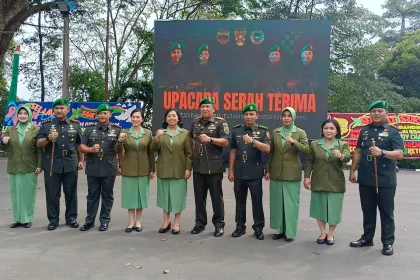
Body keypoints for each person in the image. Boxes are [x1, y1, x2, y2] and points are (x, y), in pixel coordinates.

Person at [349, 100, 404, 256]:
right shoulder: (364, 131)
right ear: (370, 113)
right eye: (374, 111)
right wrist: (352, 171)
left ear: (386, 113)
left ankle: (387, 242)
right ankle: (367, 238)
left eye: (380, 111)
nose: (377, 114)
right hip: (366, 177)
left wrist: (383, 152)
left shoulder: (393, 132)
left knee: (386, 212)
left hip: (385, 180)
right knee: (368, 211)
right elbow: (358, 151)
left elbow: (399, 154)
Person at [36, 98, 84, 231]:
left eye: (62, 108)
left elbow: (79, 144)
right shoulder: (46, 125)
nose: (59, 110)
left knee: (71, 192)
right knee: (52, 193)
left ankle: (71, 218)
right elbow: (38, 143)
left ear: (68, 110)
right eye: (56, 108)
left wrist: (81, 160)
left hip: (70, 162)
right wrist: (48, 138)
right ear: (53, 110)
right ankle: (53, 219)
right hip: (52, 163)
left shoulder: (75, 125)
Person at [265, 107, 309, 241]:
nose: (286, 118)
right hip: (276, 171)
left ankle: (289, 232)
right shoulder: (276, 132)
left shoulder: (300, 132)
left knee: (290, 204)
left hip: (292, 172)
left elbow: (307, 150)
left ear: (293, 117)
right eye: (284, 115)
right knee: (277, 203)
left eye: (289, 116)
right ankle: (279, 229)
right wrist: (267, 169)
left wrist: (294, 142)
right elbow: (271, 152)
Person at [304, 119, 350, 245]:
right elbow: (309, 161)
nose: (328, 131)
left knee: (334, 210)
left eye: (331, 128)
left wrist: (340, 155)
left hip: (336, 182)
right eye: (326, 128)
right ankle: (323, 232)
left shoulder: (342, 145)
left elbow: (347, 158)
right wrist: (307, 177)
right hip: (318, 180)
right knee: (319, 208)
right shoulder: (314, 144)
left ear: (336, 131)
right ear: (322, 130)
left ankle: (330, 234)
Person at [228, 103, 270, 240]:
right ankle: (240, 227)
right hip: (240, 171)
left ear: (257, 116)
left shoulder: (263, 131)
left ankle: (258, 228)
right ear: (243, 116)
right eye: (246, 114)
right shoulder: (237, 130)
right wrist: (231, 170)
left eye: (252, 114)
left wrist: (253, 141)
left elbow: (267, 149)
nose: (249, 116)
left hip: (255, 171)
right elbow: (233, 150)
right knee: (239, 201)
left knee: (257, 201)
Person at [189, 97, 229, 237]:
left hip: (214, 166)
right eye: (202, 106)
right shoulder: (195, 122)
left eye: (207, 106)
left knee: (216, 198)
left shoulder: (220, 122)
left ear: (213, 109)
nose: (205, 109)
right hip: (198, 166)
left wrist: (211, 139)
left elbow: (225, 141)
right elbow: (191, 141)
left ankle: (219, 225)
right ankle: (200, 223)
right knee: (199, 197)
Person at [79, 104, 122, 232]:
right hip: (93, 166)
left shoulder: (117, 130)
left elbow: (120, 151)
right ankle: (89, 221)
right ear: (96, 115)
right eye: (100, 113)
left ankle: (104, 221)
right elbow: (81, 147)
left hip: (109, 166)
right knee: (92, 195)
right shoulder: (89, 130)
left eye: (105, 113)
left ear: (110, 115)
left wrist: (121, 166)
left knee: (107, 195)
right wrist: (91, 149)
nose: (102, 115)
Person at [152, 109, 192, 234]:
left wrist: (187, 168)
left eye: (174, 116)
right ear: (165, 119)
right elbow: (153, 149)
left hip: (179, 170)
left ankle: (177, 222)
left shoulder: (185, 133)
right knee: (165, 197)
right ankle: (166, 222)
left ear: (178, 118)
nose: (171, 118)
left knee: (178, 197)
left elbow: (189, 153)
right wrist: (157, 138)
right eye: (169, 116)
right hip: (164, 170)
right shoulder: (160, 133)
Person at [2, 105, 42, 228]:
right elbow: (6, 145)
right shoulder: (10, 129)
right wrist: (3, 141)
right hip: (14, 166)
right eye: (20, 113)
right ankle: (17, 219)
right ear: (17, 115)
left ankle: (27, 218)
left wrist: (39, 165)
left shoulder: (35, 129)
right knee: (15, 193)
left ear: (29, 115)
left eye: (25, 113)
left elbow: (39, 149)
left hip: (30, 165)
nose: (23, 115)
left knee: (28, 193)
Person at [115, 108, 155, 233]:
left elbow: (151, 151)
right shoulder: (124, 132)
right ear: (130, 118)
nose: (135, 119)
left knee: (141, 196)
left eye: (138, 117)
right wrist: (120, 141)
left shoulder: (148, 133)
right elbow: (117, 150)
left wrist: (152, 169)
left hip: (144, 168)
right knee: (130, 196)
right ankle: (131, 221)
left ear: (142, 119)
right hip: (129, 168)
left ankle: (138, 221)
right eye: (133, 117)